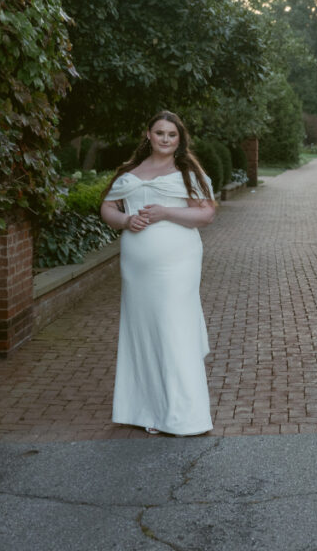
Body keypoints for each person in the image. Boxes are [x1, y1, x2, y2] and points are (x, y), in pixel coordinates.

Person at [100, 110, 215, 436]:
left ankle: (184, 415)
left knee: (173, 327)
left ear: (179, 140)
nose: (165, 139)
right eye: (160, 132)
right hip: (136, 267)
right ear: (148, 135)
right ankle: (143, 409)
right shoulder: (130, 173)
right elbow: (107, 207)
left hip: (177, 263)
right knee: (143, 330)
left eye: (172, 134)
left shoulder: (187, 172)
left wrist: (165, 211)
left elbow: (206, 214)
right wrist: (125, 221)